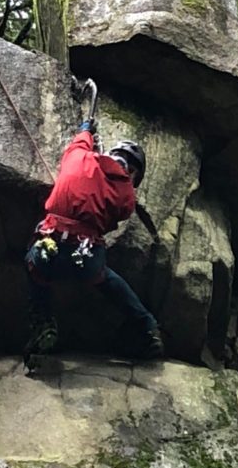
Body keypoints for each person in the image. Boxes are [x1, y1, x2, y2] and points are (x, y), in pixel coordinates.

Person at [24, 118, 164, 363]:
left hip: (50, 247)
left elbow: (81, 138)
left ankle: (44, 322)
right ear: (131, 173)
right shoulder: (127, 196)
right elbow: (111, 221)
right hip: (87, 256)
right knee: (106, 279)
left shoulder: (79, 156)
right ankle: (147, 326)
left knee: (34, 266)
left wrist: (87, 129)